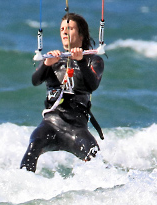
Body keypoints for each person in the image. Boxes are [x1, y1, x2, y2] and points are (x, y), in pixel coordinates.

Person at [20, 13, 104, 172]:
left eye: (70, 28)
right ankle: (21, 182)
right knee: (34, 144)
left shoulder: (93, 60)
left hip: (77, 128)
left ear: (81, 34)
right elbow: (35, 81)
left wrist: (80, 61)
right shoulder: (53, 60)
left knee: (96, 159)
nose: (65, 32)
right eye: (62, 29)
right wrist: (46, 64)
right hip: (51, 123)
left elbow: (92, 84)